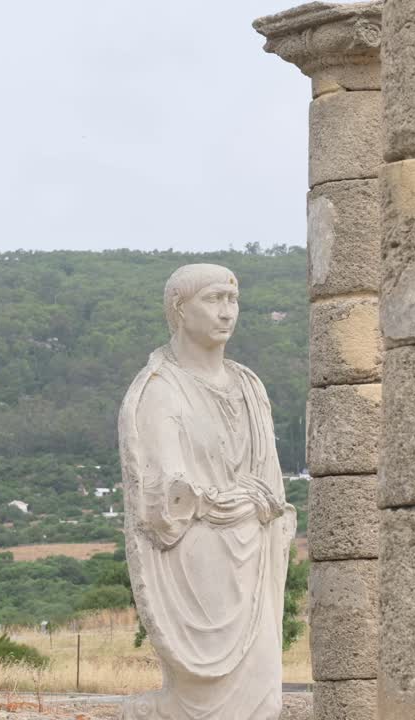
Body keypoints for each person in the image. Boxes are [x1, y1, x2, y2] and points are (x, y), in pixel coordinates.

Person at [118, 263, 296, 720]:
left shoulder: (250, 386)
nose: (227, 313)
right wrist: (233, 500)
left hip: (253, 553)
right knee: (204, 707)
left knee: (265, 701)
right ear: (180, 309)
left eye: (232, 300)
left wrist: (263, 506)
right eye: (213, 300)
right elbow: (163, 500)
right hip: (199, 556)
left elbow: (271, 484)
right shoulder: (160, 392)